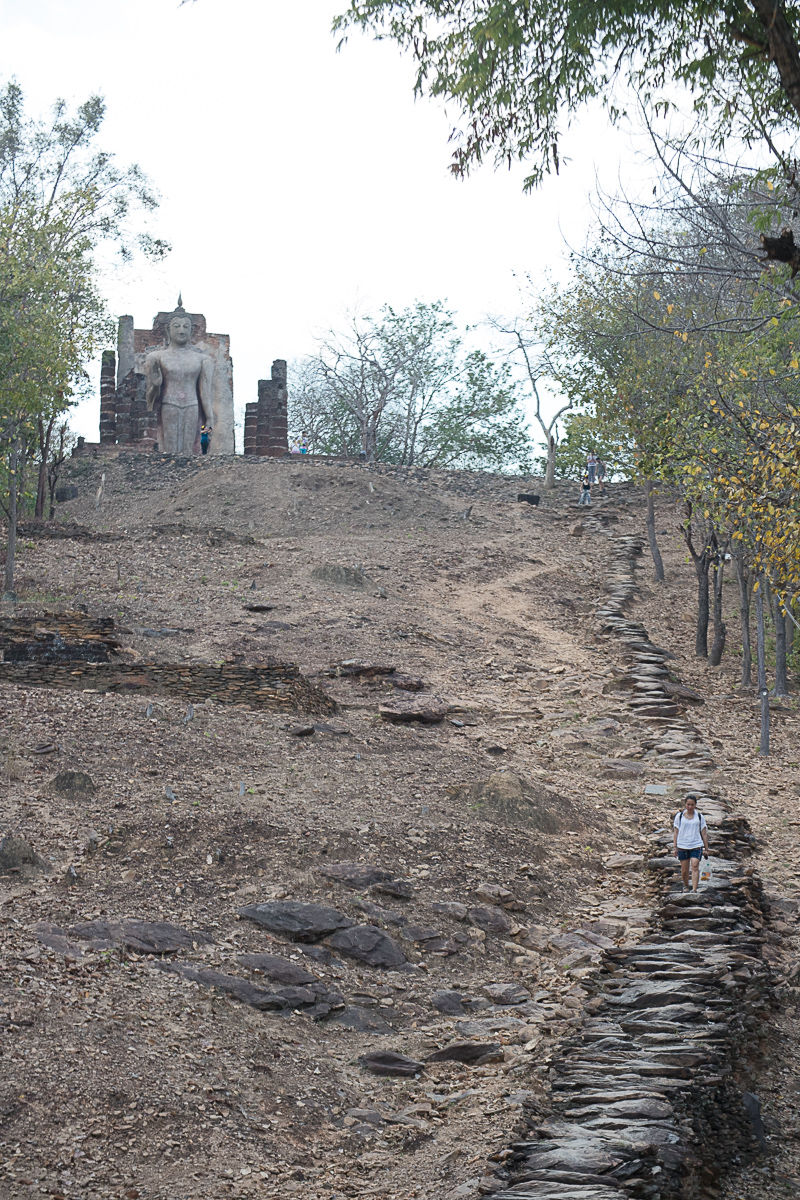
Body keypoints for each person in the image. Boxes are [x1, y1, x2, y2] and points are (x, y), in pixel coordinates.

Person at [673, 793, 710, 892]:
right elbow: (676, 832)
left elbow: (704, 833)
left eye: (692, 805)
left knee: (694, 865)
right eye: (688, 804)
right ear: (685, 804)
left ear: (695, 805)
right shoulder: (679, 816)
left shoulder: (699, 817)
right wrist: (675, 847)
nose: (690, 807)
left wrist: (706, 849)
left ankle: (694, 889)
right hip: (682, 845)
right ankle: (685, 886)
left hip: (696, 844)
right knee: (684, 870)